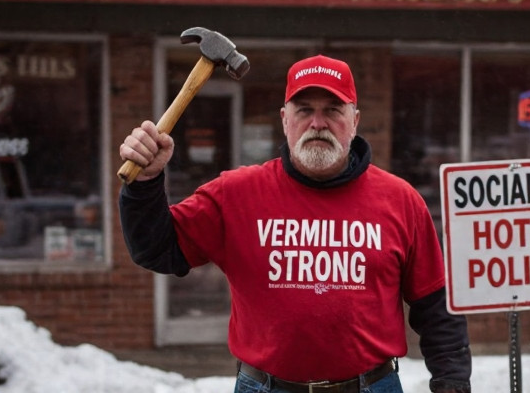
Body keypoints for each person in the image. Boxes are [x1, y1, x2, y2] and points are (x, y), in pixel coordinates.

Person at [119, 54, 472, 393]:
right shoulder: (235, 194)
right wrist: (146, 183)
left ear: (355, 121)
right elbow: (156, 249)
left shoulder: (400, 200)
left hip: (372, 387)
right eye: (304, 111)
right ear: (285, 120)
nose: (318, 123)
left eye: (333, 110)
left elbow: (436, 306)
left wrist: (452, 383)